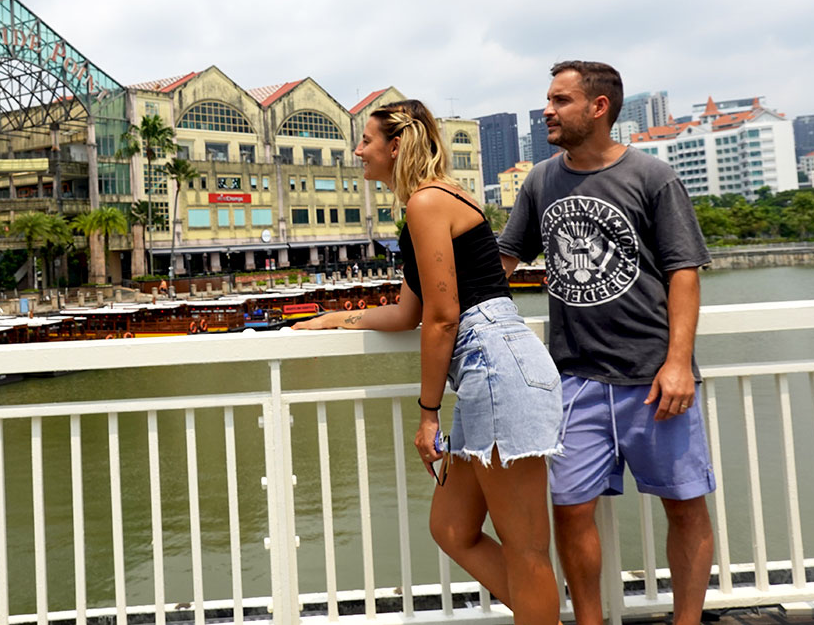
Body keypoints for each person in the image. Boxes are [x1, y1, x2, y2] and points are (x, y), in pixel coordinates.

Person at [296, 99, 563, 625]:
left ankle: (541, 615)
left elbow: (443, 318)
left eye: (366, 141)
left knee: (526, 549)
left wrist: (427, 413)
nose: (358, 151)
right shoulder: (429, 203)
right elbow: (407, 313)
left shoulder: (426, 203)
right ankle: (541, 615)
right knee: (451, 529)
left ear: (395, 146)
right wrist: (334, 321)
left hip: (496, 367)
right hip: (489, 369)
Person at [497, 61, 715, 625]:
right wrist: (436, 299)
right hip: (573, 378)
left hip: (654, 378)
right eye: (548, 99)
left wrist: (678, 364)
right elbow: (504, 261)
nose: (547, 109)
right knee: (570, 511)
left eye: (560, 100)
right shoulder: (541, 179)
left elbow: (684, 272)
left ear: (598, 108)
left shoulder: (653, 176)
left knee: (685, 507)